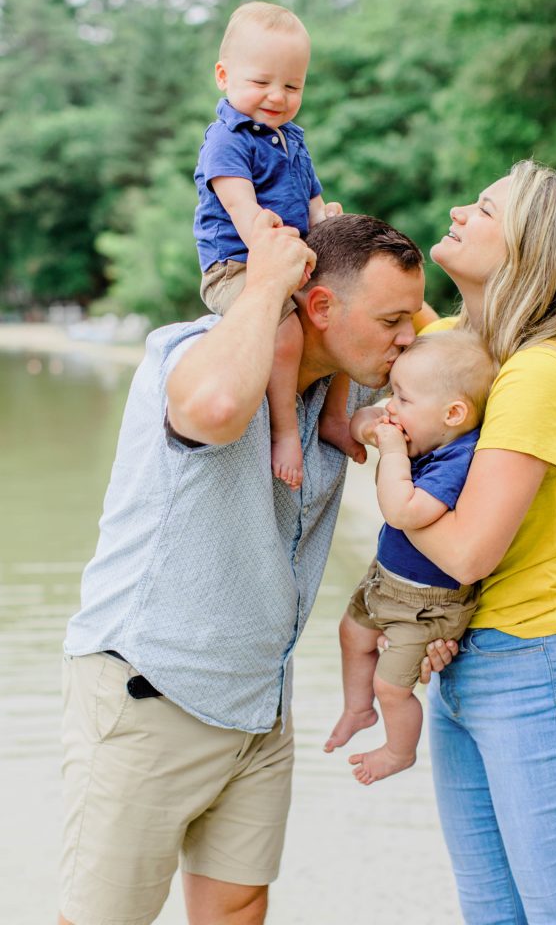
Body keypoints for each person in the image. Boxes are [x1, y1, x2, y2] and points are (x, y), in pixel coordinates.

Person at [58, 211, 425, 925]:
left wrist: (351, 243)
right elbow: (220, 407)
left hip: (258, 700)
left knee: (237, 910)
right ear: (318, 306)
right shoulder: (197, 352)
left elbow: (459, 362)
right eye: (391, 320)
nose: (407, 336)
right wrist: (264, 283)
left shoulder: (339, 390)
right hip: (152, 690)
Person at [410, 159, 556, 924]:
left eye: (487, 209)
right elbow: (381, 318)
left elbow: (468, 552)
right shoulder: (465, 353)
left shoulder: (540, 372)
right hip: (464, 664)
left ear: (529, 249)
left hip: (535, 668)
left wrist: (393, 488)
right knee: (491, 915)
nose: (461, 208)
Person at [193, 0, 362, 491]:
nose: (277, 96)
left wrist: (326, 223)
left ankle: (333, 415)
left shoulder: (293, 140)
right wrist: (264, 234)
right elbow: (242, 211)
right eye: (261, 82)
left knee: (347, 312)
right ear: (224, 76)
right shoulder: (226, 140)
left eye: (292, 86)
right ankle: (285, 431)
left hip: (292, 260)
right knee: (286, 334)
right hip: (239, 264)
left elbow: (313, 203)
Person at [324, 330, 497, 785]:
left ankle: (400, 751)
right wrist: (373, 425)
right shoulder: (427, 430)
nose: (391, 407)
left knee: (392, 686)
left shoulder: (457, 460)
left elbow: (402, 511)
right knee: (351, 634)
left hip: (425, 605)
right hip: (384, 580)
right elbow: (363, 416)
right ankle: (358, 710)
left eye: (402, 398)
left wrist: (393, 450)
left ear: (453, 413)